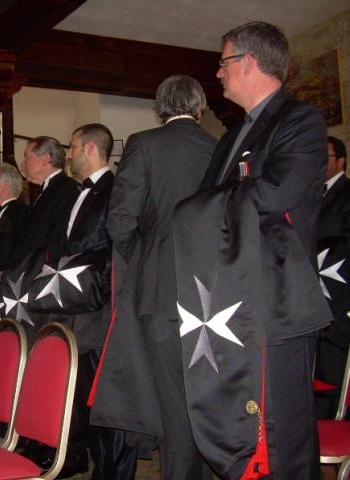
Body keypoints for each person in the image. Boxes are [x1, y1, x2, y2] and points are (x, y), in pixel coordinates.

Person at [194, 22, 329, 479]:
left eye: (223, 62)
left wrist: (206, 209)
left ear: (248, 62)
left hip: (277, 302)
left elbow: (274, 194)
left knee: (282, 435)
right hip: (232, 302)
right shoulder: (231, 137)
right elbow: (205, 202)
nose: (218, 73)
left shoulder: (300, 120)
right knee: (241, 428)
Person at [91, 76, 216, 480]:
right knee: (207, 400)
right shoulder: (219, 147)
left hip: (161, 293)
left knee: (172, 405)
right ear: (199, 108)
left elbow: (120, 220)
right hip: (216, 295)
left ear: (160, 108)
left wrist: (145, 262)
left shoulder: (143, 144)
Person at [56, 123, 138, 479]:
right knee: (85, 394)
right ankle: (98, 466)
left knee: (107, 398)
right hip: (81, 304)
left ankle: (113, 473)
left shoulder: (114, 190)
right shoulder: (81, 192)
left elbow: (111, 247)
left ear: (90, 148)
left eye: (72, 147)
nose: (68, 154)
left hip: (103, 307)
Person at [315, 136, 350, 418]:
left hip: (337, 299)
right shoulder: (310, 195)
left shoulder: (347, 194)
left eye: (324, 156)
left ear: (341, 161)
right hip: (313, 302)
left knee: (332, 373)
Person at [13, 136, 79, 263]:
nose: (23, 163)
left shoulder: (67, 190)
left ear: (45, 159)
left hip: (43, 268)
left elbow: (57, 240)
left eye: (27, 157)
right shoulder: (48, 189)